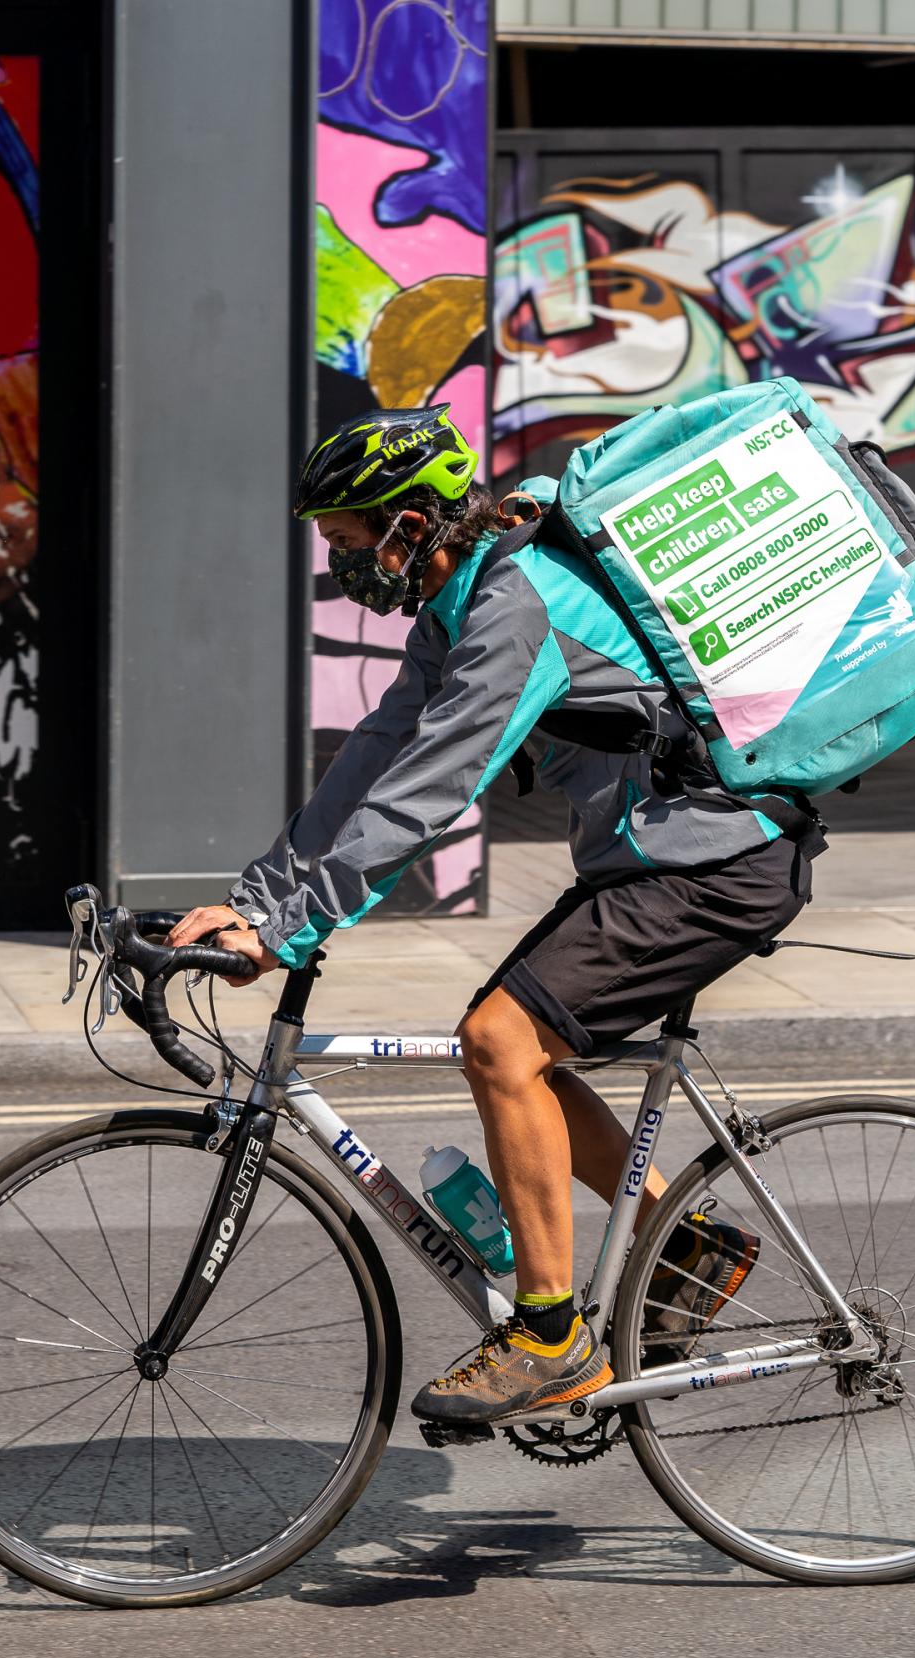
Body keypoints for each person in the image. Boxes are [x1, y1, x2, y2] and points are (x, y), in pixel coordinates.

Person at [167, 405, 818, 1426]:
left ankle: (549, 1335)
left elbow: (432, 787)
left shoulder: (515, 603)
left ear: (412, 522)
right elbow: (375, 759)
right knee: (516, 1045)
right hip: (658, 857)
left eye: (347, 540)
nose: (343, 566)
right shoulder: (457, 607)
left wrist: (296, 929)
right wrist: (255, 902)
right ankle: (682, 1246)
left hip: (715, 862)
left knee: (498, 1039)